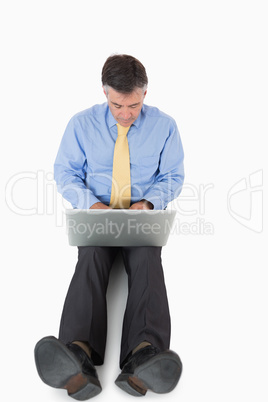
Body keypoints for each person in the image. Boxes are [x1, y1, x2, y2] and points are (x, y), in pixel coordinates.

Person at [34, 54, 185, 400]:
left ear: (145, 93)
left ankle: (143, 355)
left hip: (141, 217)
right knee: (90, 261)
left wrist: (148, 204)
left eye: (133, 104)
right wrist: (93, 204)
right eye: (117, 104)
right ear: (105, 93)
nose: (125, 113)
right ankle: (77, 355)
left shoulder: (165, 126)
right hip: (97, 215)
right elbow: (65, 172)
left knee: (148, 262)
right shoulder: (81, 124)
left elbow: (173, 175)